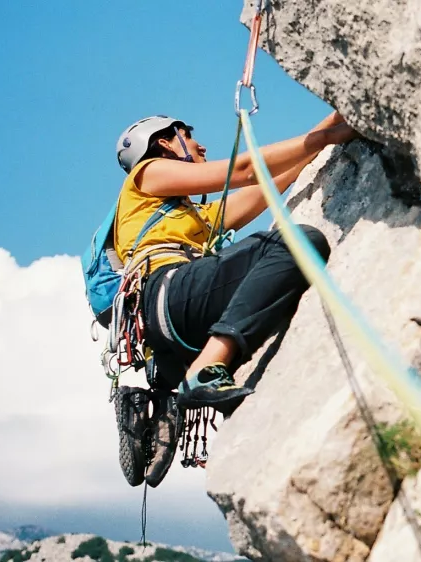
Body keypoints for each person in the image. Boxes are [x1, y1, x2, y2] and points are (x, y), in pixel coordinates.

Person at [113, 112, 357, 412]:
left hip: (169, 331)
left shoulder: (195, 218)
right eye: (188, 136)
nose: (201, 146)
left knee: (292, 251)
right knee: (296, 242)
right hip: (166, 293)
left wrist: (335, 119)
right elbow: (247, 169)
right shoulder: (146, 173)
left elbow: (272, 180)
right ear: (164, 142)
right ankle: (206, 366)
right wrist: (331, 136)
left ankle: (189, 381)